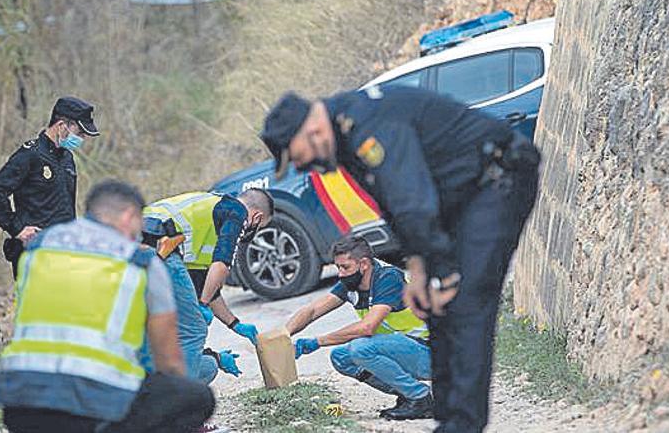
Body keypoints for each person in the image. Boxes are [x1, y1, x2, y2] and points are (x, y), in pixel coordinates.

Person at [260, 87, 540, 433]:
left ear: (311, 129)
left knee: (465, 301)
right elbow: (393, 205)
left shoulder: (367, 123)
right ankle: (450, 419)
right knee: (434, 307)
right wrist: (419, 271)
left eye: (296, 155)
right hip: (459, 194)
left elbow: (412, 202)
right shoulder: (345, 138)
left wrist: (442, 272)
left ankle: (463, 424)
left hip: (498, 179)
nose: (302, 165)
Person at [0, 179, 214, 433]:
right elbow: (169, 362)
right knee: (197, 398)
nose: (139, 237)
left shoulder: (39, 250)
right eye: (139, 228)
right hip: (92, 406)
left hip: (20, 402)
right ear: (129, 216)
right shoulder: (140, 263)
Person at [287, 236, 433, 420]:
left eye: (345, 267)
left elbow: (367, 327)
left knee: (361, 348)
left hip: (428, 352)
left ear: (363, 264)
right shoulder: (352, 282)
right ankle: (407, 393)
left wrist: (317, 342)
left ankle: (420, 398)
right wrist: (284, 334)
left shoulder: (388, 277)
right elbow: (313, 309)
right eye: (337, 267)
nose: (340, 273)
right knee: (341, 357)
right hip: (401, 349)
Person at [141, 188, 274, 384]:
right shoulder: (238, 212)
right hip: (159, 244)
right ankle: (176, 401)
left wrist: (234, 324)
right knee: (194, 329)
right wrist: (201, 305)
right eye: (260, 226)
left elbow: (207, 287)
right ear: (256, 217)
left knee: (165, 332)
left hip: (130, 242)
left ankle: (155, 389)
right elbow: (221, 265)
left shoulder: (207, 217)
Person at [0, 96, 100, 278]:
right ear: (62, 125)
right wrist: (16, 228)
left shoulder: (67, 158)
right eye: (79, 133)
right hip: (35, 253)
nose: (82, 138)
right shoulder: (30, 155)